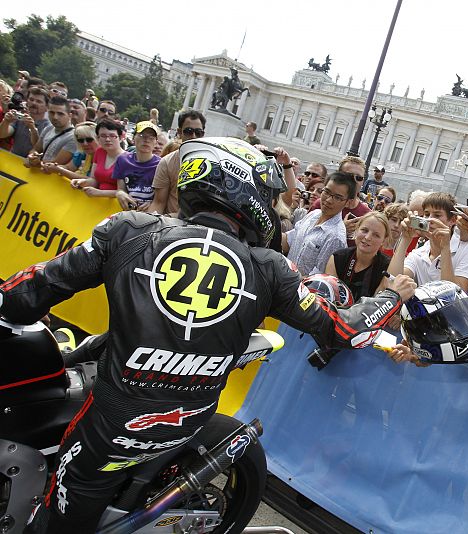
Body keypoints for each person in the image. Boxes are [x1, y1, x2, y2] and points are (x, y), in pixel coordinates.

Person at [0, 137, 416, 533]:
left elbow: (24, 294)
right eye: (269, 196)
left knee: (57, 521)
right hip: (187, 412)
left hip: (113, 422)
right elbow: (343, 330)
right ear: (243, 191)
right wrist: (391, 297)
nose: (275, 206)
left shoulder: (130, 229)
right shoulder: (269, 266)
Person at [388, 192, 468, 300]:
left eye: (437, 215)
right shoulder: (420, 253)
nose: (429, 220)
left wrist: (445, 248)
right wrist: (405, 239)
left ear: (453, 220)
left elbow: (454, 297)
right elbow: (392, 282)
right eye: (427, 214)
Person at [284, 172, 352, 276]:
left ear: (348, 202)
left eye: (337, 197)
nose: (329, 200)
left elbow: (317, 279)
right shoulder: (313, 214)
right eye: (326, 192)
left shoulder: (335, 237)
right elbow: (289, 240)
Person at [149, 110, 207, 216]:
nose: (194, 136)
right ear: (179, 132)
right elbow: (158, 203)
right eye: (189, 131)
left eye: (198, 132)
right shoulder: (166, 162)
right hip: (171, 225)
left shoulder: (212, 163)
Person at [325, 212, 392, 300]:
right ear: (356, 230)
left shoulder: (387, 267)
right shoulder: (338, 258)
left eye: (376, 235)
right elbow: (329, 296)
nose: (368, 237)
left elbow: (380, 304)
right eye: (364, 230)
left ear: (384, 240)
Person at [70, 119, 126, 199]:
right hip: (98, 201)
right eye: (103, 136)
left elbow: (123, 192)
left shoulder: (127, 159)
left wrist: (99, 193)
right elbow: (94, 180)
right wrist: (82, 182)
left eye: (112, 136)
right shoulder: (99, 152)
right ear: (98, 138)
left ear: (120, 138)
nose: (107, 139)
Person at [113, 121, 161, 211]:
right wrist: (120, 193)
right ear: (133, 139)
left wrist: (152, 204)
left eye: (151, 137)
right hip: (127, 212)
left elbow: (161, 199)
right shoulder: (122, 160)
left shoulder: (161, 164)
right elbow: (120, 189)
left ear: (156, 142)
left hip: (150, 214)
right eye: (142, 135)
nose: (147, 140)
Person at [0, 86, 51, 158]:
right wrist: (6, 121)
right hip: (12, 160)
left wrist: (33, 129)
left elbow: (39, 149)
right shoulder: (20, 117)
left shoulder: (49, 127)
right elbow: (2, 134)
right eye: (31, 99)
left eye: (39, 101)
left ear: (47, 107)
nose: (34, 103)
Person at [26, 95, 77, 167]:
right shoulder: (48, 128)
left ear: (69, 116)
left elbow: (56, 164)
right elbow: (36, 149)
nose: (55, 117)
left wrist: (36, 162)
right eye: (52, 113)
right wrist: (32, 156)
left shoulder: (73, 137)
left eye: (60, 114)